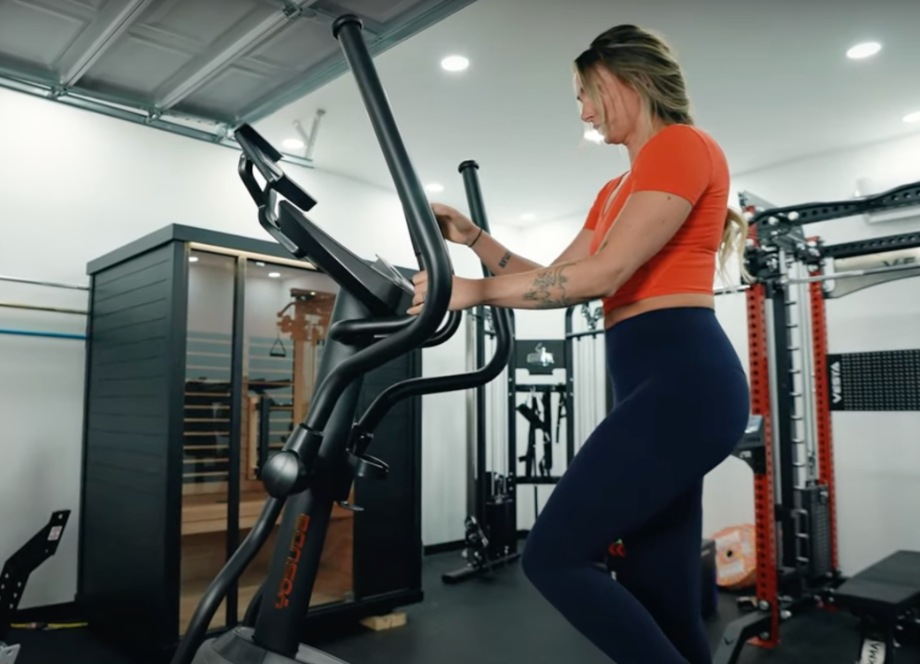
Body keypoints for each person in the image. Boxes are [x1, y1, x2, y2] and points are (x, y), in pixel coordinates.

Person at [409, 23, 751, 664]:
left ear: (632, 80)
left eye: (588, 92)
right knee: (660, 590)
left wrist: (474, 292)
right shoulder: (615, 189)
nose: (584, 111)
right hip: (652, 382)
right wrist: (475, 237)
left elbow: (601, 277)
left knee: (556, 555)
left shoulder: (681, 145)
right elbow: (556, 276)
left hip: (685, 380)